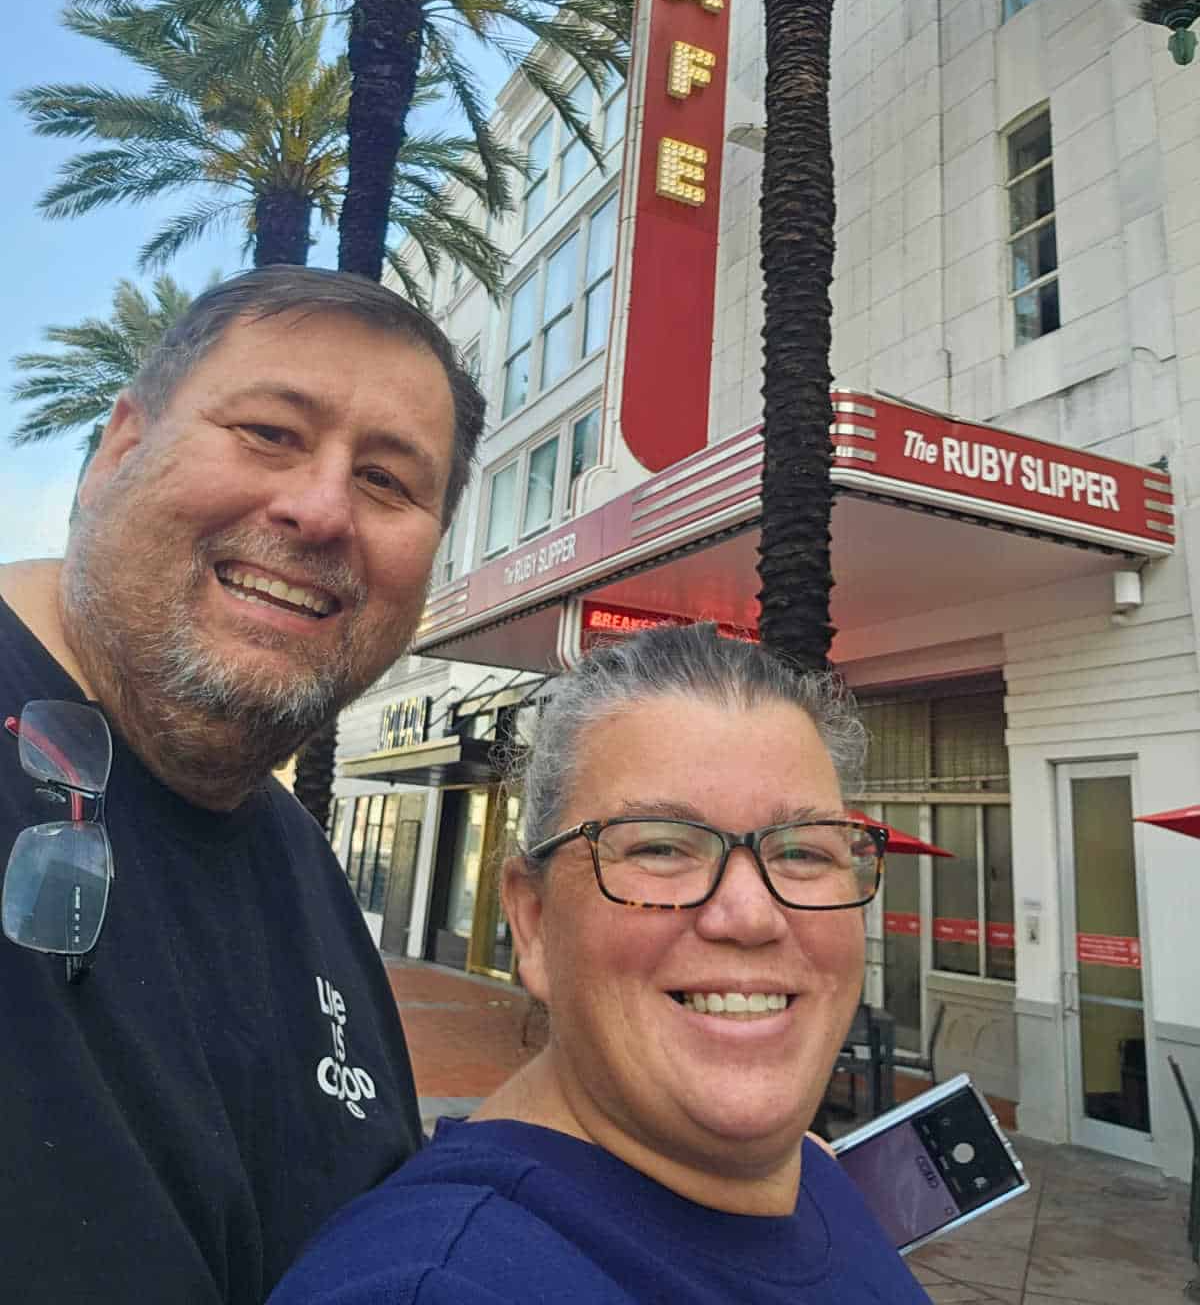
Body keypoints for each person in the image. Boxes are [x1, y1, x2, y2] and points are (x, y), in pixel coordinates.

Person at [0, 266, 485, 1305]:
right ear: (120, 448)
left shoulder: (296, 857)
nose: (321, 509)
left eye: (387, 481)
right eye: (269, 432)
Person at [268, 624, 933, 1303]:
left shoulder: (819, 1185)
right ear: (532, 921)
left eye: (804, 852)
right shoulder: (434, 1285)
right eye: (660, 849)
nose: (751, 915)